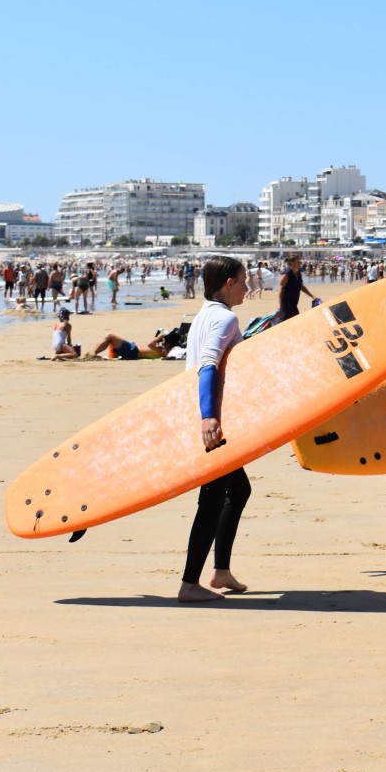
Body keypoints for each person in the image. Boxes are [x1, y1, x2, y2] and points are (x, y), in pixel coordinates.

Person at [178, 256, 253, 602]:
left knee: (238, 491)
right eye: (243, 279)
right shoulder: (226, 317)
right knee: (211, 499)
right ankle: (190, 584)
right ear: (229, 284)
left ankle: (221, 571)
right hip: (214, 423)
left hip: (203, 416)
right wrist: (209, 417)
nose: (247, 286)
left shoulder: (203, 316)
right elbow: (208, 364)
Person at [277, 254, 315, 324]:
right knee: (291, 322)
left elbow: (301, 287)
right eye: (298, 261)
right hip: (286, 304)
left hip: (294, 303)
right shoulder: (286, 274)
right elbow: (280, 289)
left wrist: (313, 296)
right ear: (292, 262)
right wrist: (280, 305)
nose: (300, 262)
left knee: (289, 323)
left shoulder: (298, 273)